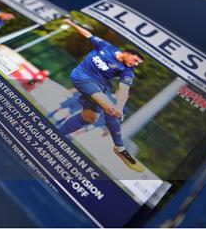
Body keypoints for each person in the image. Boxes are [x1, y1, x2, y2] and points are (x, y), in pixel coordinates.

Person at [57, 18, 145, 172]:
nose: (135, 64)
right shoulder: (106, 46)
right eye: (136, 60)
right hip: (82, 76)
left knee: (90, 118)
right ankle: (120, 148)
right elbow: (87, 34)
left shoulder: (127, 71)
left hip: (100, 87)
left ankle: (56, 134)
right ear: (127, 53)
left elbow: (124, 90)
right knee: (110, 109)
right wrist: (71, 23)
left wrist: (119, 106)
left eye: (138, 63)